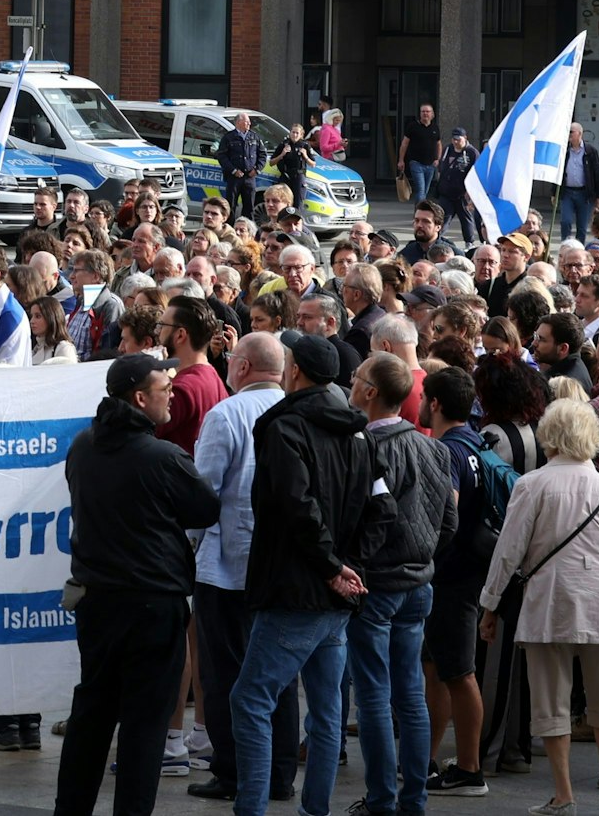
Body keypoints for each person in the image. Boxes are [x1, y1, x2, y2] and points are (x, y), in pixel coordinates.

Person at [231, 332, 394, 816]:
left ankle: (252, 808)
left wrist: (336, 567)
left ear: (293, 372)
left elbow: (295, 508)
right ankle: (314, 809)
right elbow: (381, 508)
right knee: (325, 714)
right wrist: (347, 567)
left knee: (251, 701)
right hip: (334, 594)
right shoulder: (358, 431)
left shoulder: (286, 428)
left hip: (298, 591)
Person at [55, 353, 222, 816]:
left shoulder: (84, 445)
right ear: (139, 398)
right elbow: (206, 508)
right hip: (152, 605)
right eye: (163, 388)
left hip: (97, 601)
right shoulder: (163, 456)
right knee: (145, 724)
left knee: (92, 715)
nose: (173, 393)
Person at [476, 400, 599, 816]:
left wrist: (489, 606)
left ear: (549, 435)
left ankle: (564, 796)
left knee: (550, 703)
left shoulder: (532, 485)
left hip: (550, 604)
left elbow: (508, 553)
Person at [187, 333, 298, 804]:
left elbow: (203, 494)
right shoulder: (296, 411)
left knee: (225, 672)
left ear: (243, 367)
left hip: (228, 569)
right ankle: (278, 772)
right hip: (284, 568)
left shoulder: (226, 414)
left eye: (230, 361)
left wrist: (189, 551)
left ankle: (234, 770)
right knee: (280, 674)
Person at [347, 352, 458, 816]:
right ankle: (411, 798)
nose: (351, 384)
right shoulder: (434, 447)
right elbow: (449, 520)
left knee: (375, 696)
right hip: (416, 582)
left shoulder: (366, 448)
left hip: (379, 585)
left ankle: (383, 800)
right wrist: (425, 554)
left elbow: (358, 519)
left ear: (371, 392)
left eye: (356, 378)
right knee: (409, 693)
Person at [420, 366, 495, 796]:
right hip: (464, 573)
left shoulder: (447, 451)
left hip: (453, 576)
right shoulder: (472, 441)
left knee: (460, 673)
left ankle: (469, 769)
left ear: (434, 403)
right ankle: (426, 757)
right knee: (440, 669)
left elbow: (447, 515)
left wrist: (425, 550)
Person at [156, 295, 224, 454]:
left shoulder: (181, 390)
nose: (157, 332)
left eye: (161, 325)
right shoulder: (210, 375)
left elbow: (143, 432)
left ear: (180, 335)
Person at [560, 122, 599, 242]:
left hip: (584, 193)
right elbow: (558, 171)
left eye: (571, 132)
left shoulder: (590, 151)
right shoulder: (564, 150)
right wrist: (554, 192)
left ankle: (579, 251)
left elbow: (597, 174)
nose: (569, 134)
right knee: (565, 221)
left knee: (582, 226)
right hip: (567, 192)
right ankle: (566, 246)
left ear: (579, 133)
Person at [435, 127, 479, 245]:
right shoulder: (447, 149)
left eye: (458, 139)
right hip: (446, 192)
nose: (455, 142)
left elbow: (476, 173)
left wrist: (470, 192)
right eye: (453, 139)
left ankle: (469, 243)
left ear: (465, 138)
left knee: (466, 219)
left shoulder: (472, 152)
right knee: (443, 218)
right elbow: (441, 167)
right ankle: (436, 241)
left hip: (462, 193)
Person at [219, 113, 266, 222]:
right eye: (246, 121)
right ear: (238, 122)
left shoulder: (254, 137)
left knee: (249, 207)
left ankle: (247, 230)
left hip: (250, 178)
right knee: (231, 206)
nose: (249, 123)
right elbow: (222, 156)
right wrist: (233, 170)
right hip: (234, 178)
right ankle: (230, 230)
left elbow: (262, 155)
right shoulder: (228, 137)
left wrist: (257, 170)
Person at [400, 103, 443, 204]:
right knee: (421, 190)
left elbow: (439, 144)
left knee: (425, 191)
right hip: (416, 163)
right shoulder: (413, 126)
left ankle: (419, 211)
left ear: (432, 114)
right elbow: (404, 144)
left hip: (431, 164)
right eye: (423, 111)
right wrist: (401, 160)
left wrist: (438, 159)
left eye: (427, 111)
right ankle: (419, 212)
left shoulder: (435, 128)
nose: (425, 114)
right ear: (420, 114)